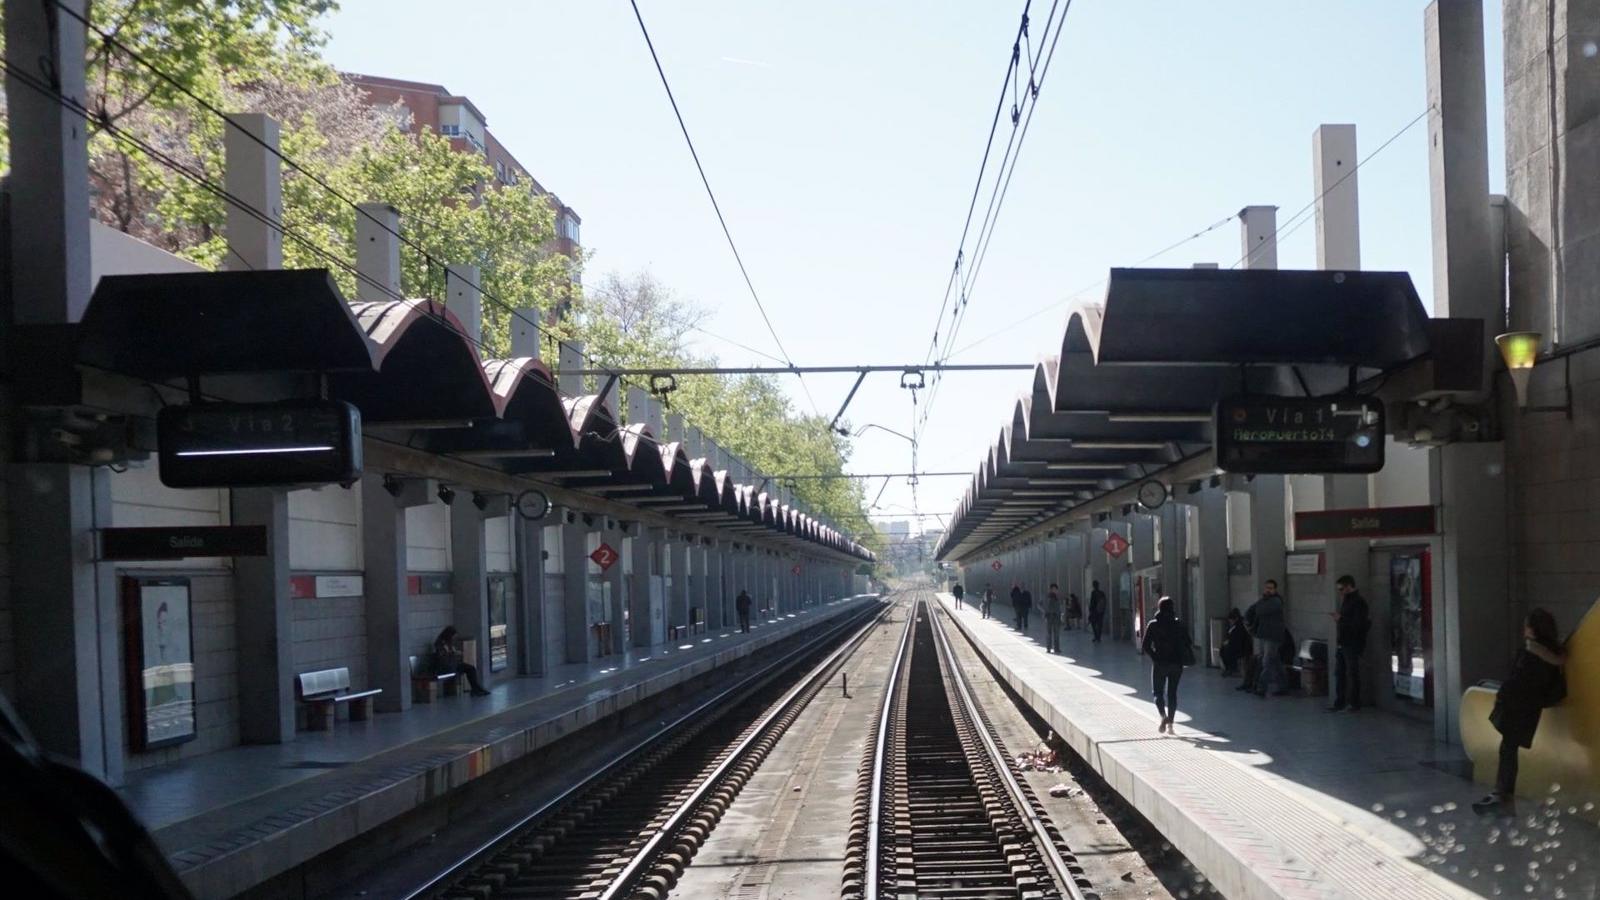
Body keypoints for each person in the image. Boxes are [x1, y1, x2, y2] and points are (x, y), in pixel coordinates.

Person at [1473, 609, 1567, 816]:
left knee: (1507, 751)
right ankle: (1501, 796)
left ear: (1533, 629)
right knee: (1508, 750)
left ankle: (1503, 798)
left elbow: (1517, 681)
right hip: (1529, 709)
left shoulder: (1531, 653)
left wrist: (1503, 696)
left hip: (1516, 708)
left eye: (1527, 626)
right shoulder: (1555, 655)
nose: (1524, 630)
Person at [1141, 597, 1193, 734]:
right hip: (1176, 663)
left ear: (1159, 608)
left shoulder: (1153, 624)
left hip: (1160, 663)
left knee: (1157, 692)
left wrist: (1155, 657)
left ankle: (1163, 716)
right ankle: (1170, 725)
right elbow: (1188, 642)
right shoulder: (1179, 624)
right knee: (1172, 693)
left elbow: (1145, 645)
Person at [1328, 575, 1372, 712]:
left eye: (1341, 589)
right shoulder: (1347, 601)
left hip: (1352, 643)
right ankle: (1340, 702)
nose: (1340, 592)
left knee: (1352, 673)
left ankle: (1354, 703)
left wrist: (1340, 619)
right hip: (1343, 642)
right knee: (1340, 673)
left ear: (1349, 587)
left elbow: (1359, 624)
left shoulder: (1359, 602)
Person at [1245, 580, 1289, 697]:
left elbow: (1260, 610)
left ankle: (1261, 687)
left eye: (1271, 588)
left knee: (1267, 661)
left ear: (1275, 590)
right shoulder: (1264, 601)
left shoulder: (1276, 601)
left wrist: (1258, 605)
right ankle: (1283, 686)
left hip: (1273, 636)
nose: (1268, 590)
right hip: (1264, 635)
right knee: (1275, 661)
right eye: (1267, 588)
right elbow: (1250, 610)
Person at [433, 626, 489, 696]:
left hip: (453, 664)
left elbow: (451, 653)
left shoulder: (449, 643)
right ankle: (476, 688)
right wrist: (452, 653)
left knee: (471, 668)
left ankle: (475, 688)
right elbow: (443, 657)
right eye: (453, 637)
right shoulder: (440, 644)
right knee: (466, 669)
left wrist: (454, 653)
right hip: (446, 667)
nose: (453, 638)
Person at [1220, 608, 1252, 677]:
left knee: (1227, 650)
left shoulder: (1239, 626)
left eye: (1231, 620)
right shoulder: (1236, 625)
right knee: (1224, 649)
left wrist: (1228, 642)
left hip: (1241, 647)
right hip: (1237, 645)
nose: (1230, 622)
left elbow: (1237, 638)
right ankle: (1229, 668)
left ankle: (1231, 669)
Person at [1044, 584, 1064, 652]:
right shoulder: (1047, 597)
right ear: (1050, 589)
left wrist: (1061, 615)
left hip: (1056, 617)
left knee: (1056, 634)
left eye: (1055, 589)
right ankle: (1048, 648)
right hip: (1049, 617)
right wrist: (1045, 611)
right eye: (1053, 589)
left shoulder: (1058, 597)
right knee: (1049, 633)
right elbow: (1039, 604)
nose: (1054, 591)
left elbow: (1060, 607)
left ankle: (1056, 648)